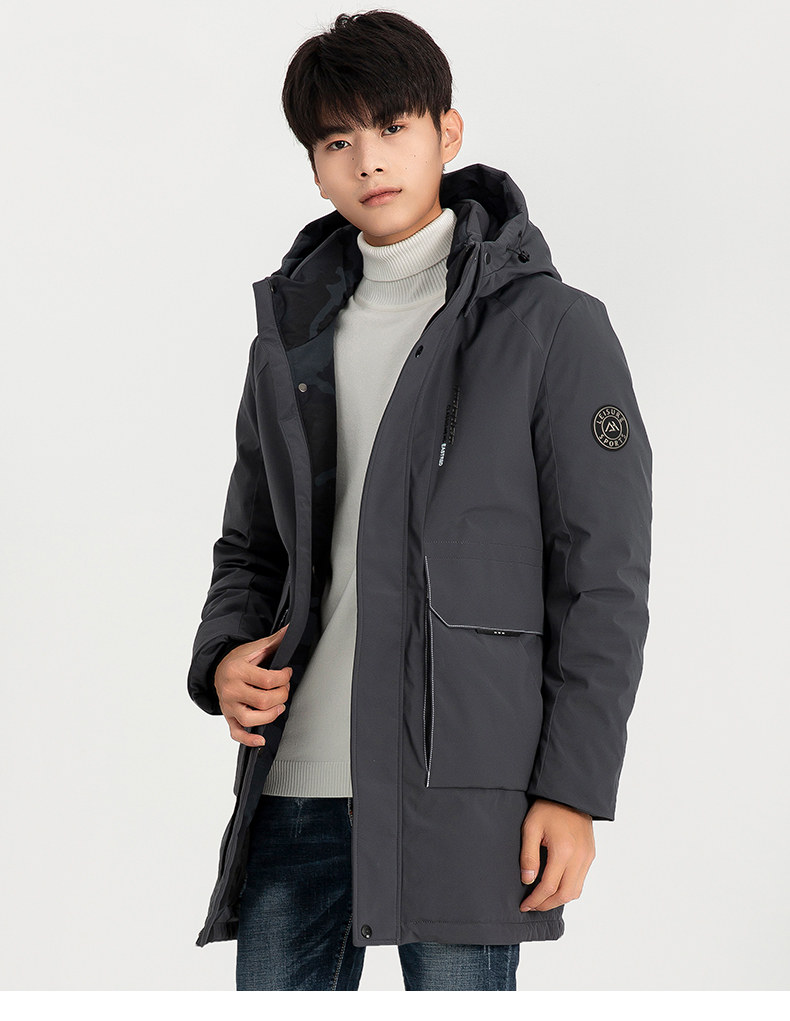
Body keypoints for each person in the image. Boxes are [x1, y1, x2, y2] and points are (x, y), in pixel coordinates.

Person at [187, 9, 652, 992]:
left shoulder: (553, 329)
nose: (367, 160)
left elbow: (601, 579)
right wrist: (224, 654)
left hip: (465, 799)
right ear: (315, 169)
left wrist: (573, 789)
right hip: (294, 788)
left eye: (391, 127)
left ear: (447, 132)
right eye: (336, 142)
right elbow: (252, 544)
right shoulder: (289, 341)